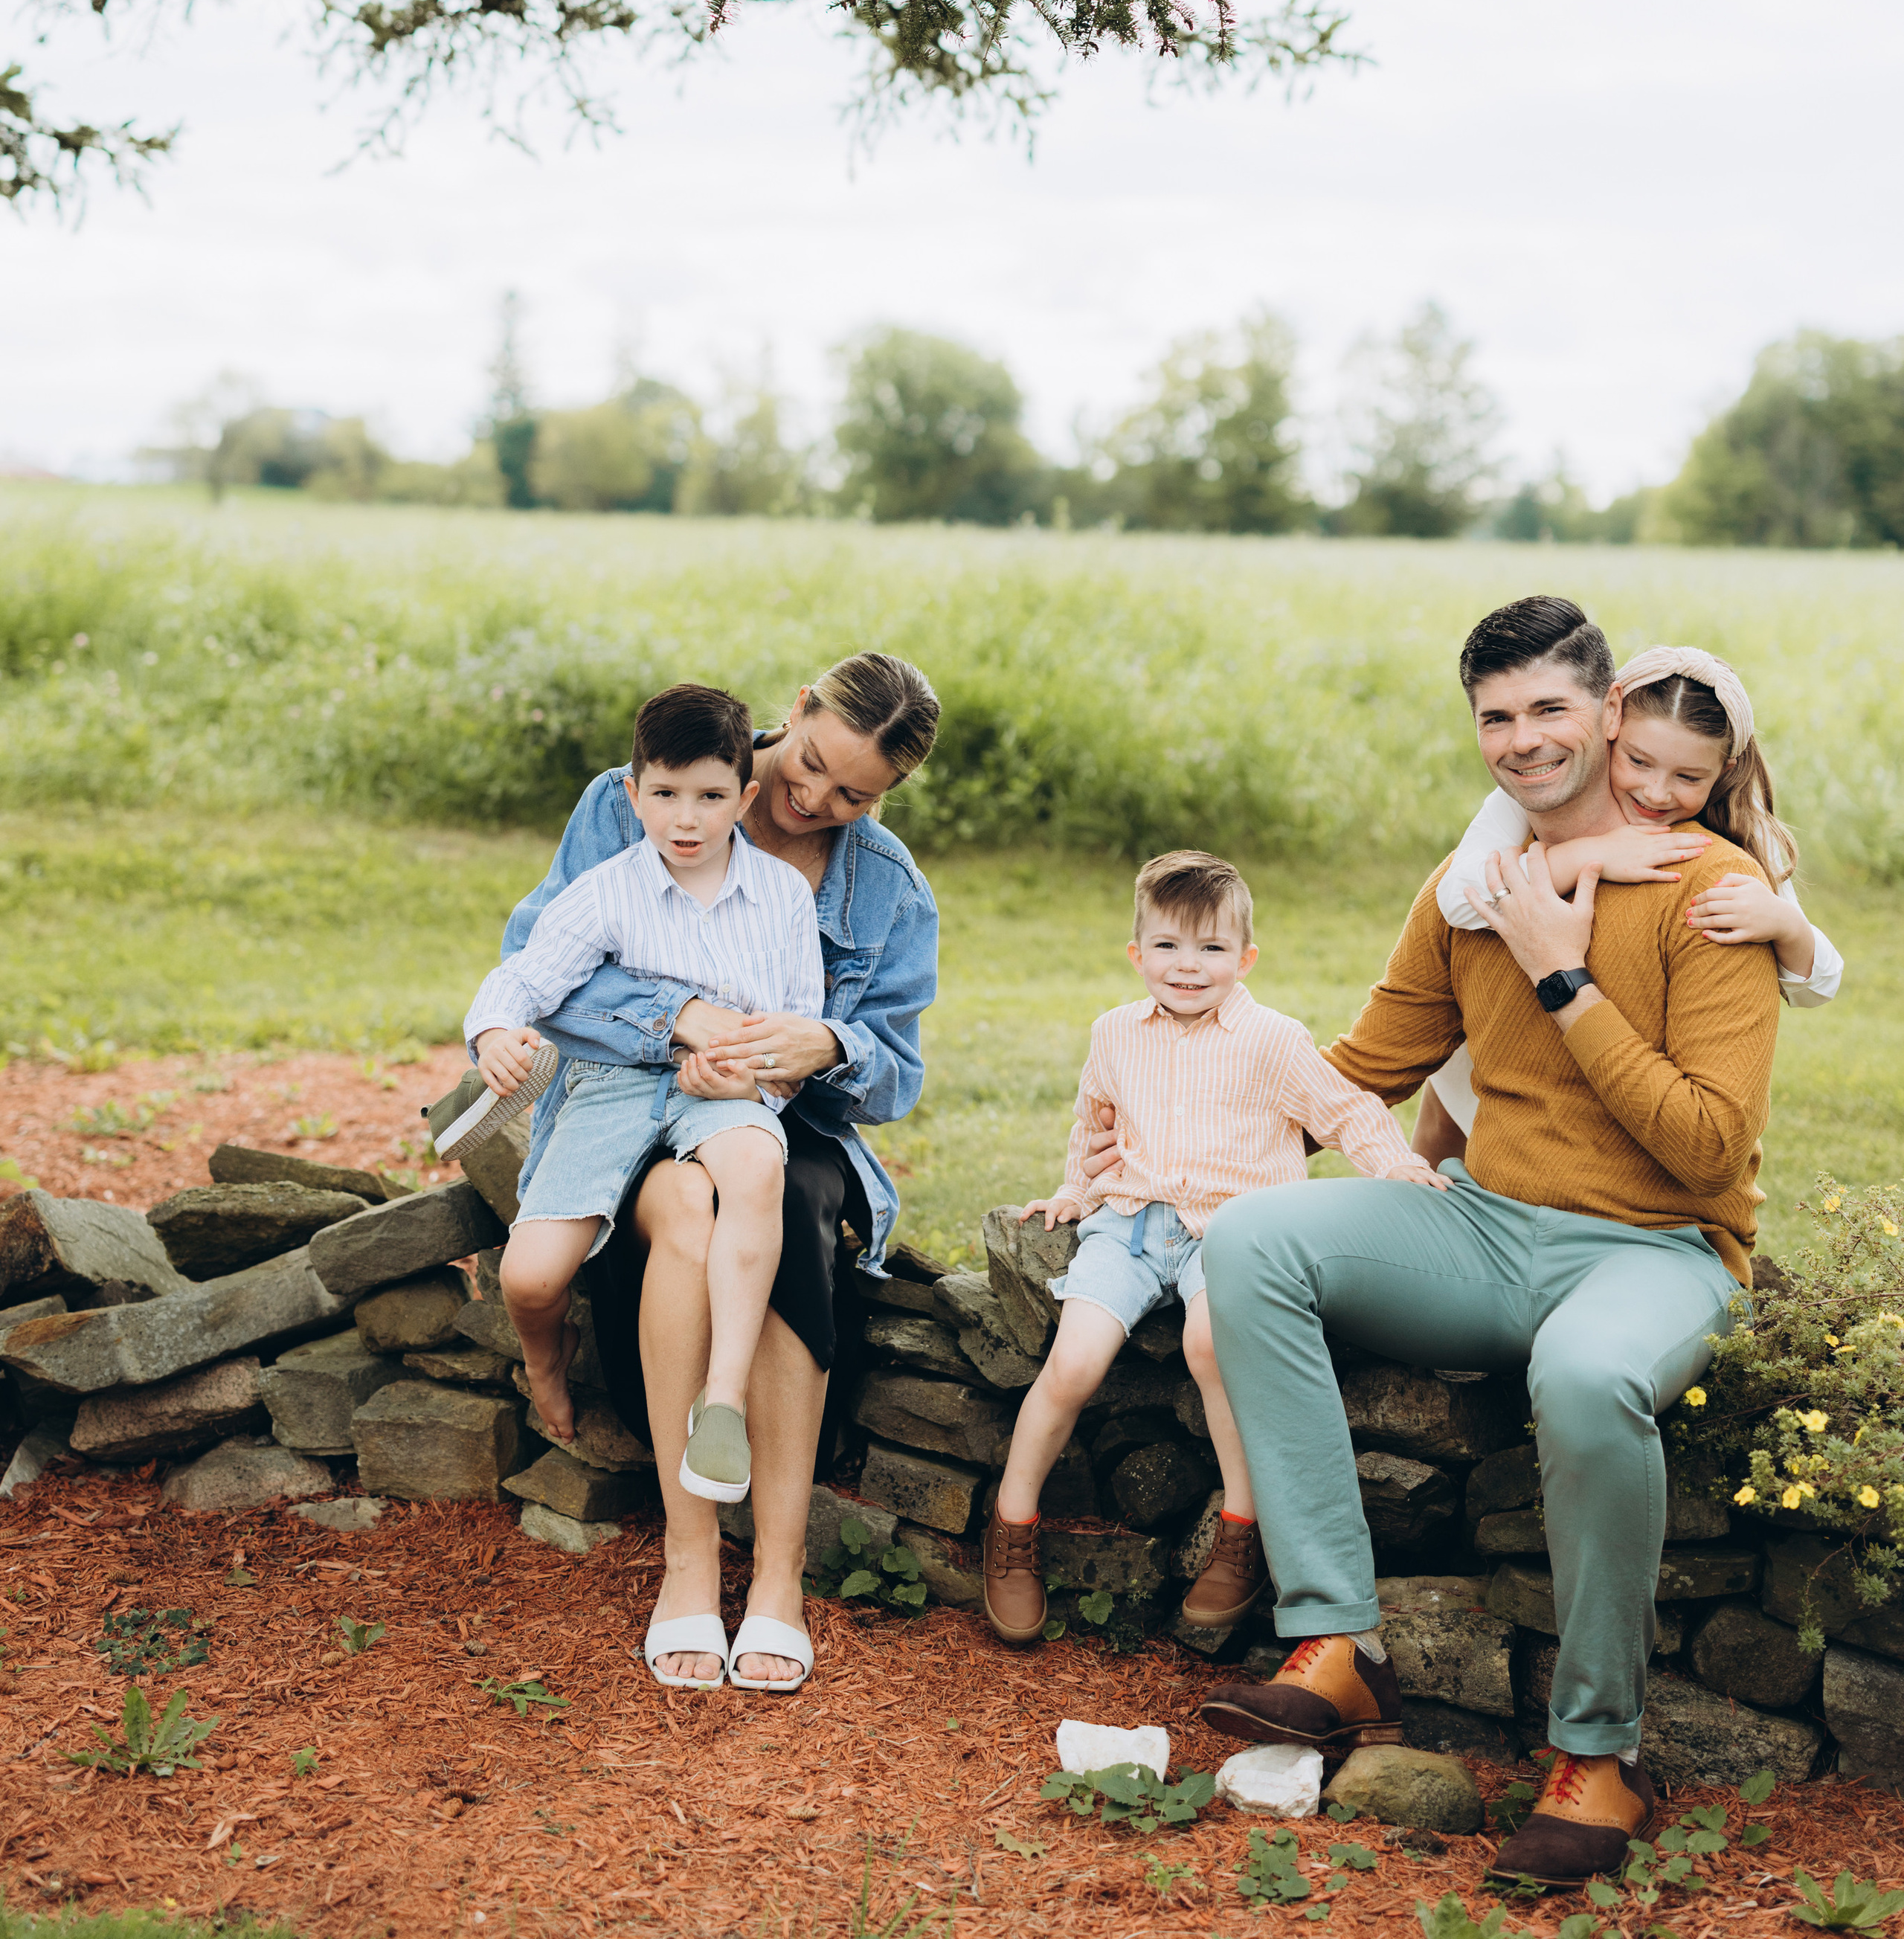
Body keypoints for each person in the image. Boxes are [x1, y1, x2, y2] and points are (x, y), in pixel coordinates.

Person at [1197, 594, 1781, 1888]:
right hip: (1488, 1232)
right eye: (1496, 717)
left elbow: (1707, 1149)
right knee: (1250, 1248)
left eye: (1550, 709)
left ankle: (1599, 1756)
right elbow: (1364, 1064)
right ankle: (1339, 1647)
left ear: (1613, 710)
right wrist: (1157, 1160)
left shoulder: (1714, 892)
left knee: (1583, 1378)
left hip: (1657, 1251)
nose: (1523, 740)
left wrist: (1565, 978)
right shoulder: (1469, 892)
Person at [501, 651, 940, 1692]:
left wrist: (826, 1047)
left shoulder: (887, 888)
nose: (818, 799)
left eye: (856, 795)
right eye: (817, 765)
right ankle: (690, 1563)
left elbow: (897, 1071)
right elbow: (538, 971)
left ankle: (779, 1576)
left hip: (785, 1123)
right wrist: (675, 1022)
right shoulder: (638, 799)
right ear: (798, 710)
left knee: (783, 1204)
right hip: (624, 1103)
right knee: (690, 1217)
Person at [981, 849, 1445, 1647]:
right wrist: (1072, 1192)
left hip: (1232, 1229)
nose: (1186, 967)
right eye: (1166, 946)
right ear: (1136, 954)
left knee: (1210, 1346)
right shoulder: (1115, 1032)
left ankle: (1240, 1529)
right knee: (1076, 1361)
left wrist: (1399, 1166)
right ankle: (1011, 1526)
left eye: (1210, 950)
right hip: (1131, 1222)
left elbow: (1346, 1113)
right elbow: (1093, 1123)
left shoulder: (1274, 1040)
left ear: (1245, 958)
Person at [458, 684, 823, 1537]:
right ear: (632, 794)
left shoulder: (781, 899)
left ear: (747, 796)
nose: (685, 819)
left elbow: (795, 1030)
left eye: (708, 796)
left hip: (720, 1086)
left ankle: (723, 1396)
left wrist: (754, 1084)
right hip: (611, 1086)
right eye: (664, 794)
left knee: (756, 1165)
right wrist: (494, 1032)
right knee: (531, 1276)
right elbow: (526, 976)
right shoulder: (606, 891)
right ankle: (547, 1356)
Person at [1412, 640, 1842, 1164]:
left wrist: (1786, 926)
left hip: (1612, 1057)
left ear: (1725, 770)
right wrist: (1592, 853)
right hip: (1500, 1035)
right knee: (1450, 1086)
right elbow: (1460, 900)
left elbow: (1823, 986)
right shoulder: (1529, 793)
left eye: (1688, 778)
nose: (1657, 793)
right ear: (1610, 725)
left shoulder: (1740, 846)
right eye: (1638, 761)